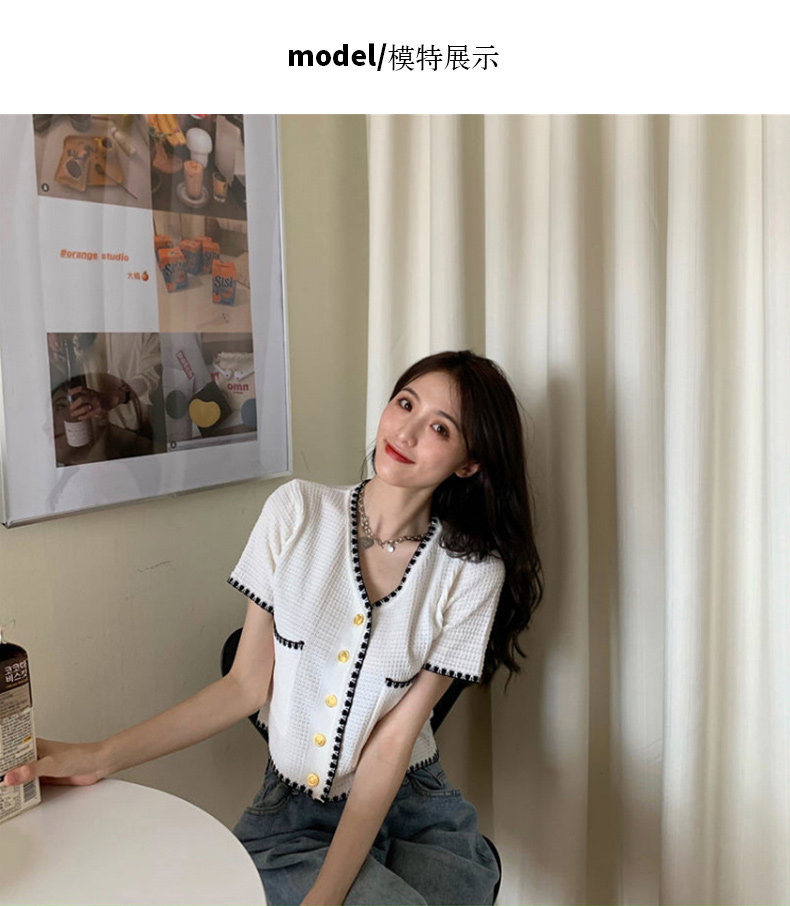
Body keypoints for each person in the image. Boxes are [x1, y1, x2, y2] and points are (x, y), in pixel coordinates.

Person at [3, 350, 543, 906]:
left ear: (468, 463)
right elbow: (243, 686)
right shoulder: (297, 511)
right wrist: (97, 756)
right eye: (405, 404)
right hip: (293, 816)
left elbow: (391, 746)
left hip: (414, 809)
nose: (406, 432)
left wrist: (326, 896)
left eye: (439, 428)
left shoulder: (472, 572)